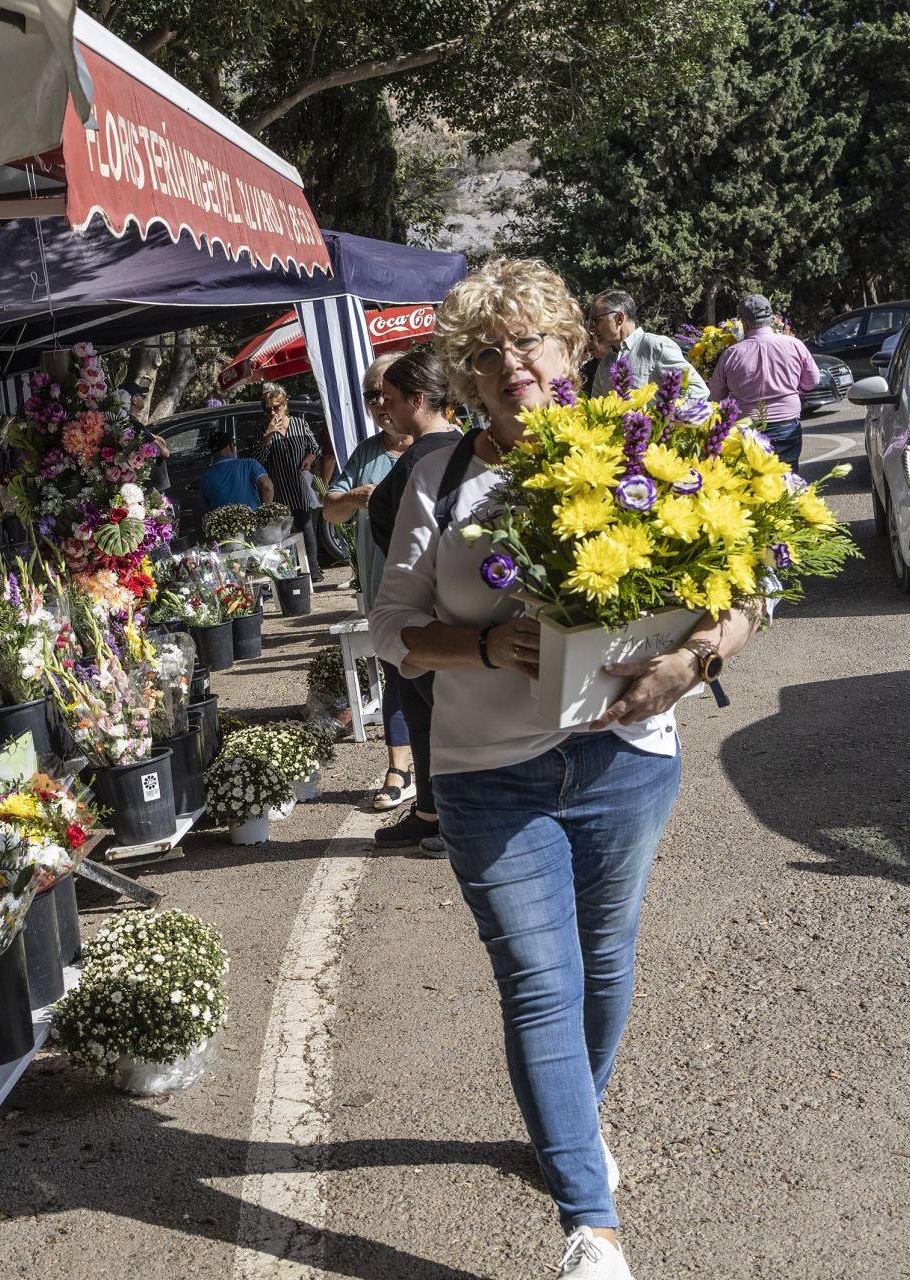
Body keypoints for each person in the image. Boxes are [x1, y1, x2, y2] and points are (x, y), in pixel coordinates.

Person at [370, 258, 763, 1280]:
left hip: (626, 761)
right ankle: (591, 1222)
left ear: (573, 346)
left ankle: (566, 1130)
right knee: (540, 982)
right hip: (487, 772)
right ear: (463, 374)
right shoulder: (440, 475)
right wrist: (485, 646)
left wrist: (693, 659)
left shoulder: (658, 445)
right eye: (486, 353)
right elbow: (389, 629)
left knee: (607, 959)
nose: (513, 366)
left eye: (530, 341)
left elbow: (749, 588)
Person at [365, 349, 460, 852]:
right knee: (424, 716)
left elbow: (406, 536)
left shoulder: (424, 460)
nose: (385, 408)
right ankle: (430, 812)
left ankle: (447, 818)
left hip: (423, 607)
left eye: (391, 399)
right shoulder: (454, 448)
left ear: (418, 400)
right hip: (430, 604)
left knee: (439, 714)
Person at [322, 352, 416, 810]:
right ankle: (399, 766)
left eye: (385, 392)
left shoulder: (441, 444)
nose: (379, 403)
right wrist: (357, 498)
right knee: (396, 675)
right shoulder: (366, 454)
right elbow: (330, 507)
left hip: (433, 590)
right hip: (383, 590)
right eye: (370, 396)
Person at [706, 293, 820, 469]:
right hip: (787, 425)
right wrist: (793, 389)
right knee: (788, 481)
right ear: (772, 318)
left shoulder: (731, 354)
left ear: (743, 323)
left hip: (747, 429)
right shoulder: (794, 345)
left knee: (753, 485)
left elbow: (715, 397)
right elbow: (812, 381)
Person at [254, 385, 325, 582]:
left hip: (298, 486)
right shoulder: (262, 430)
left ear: (285, 405)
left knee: (305, 527)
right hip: (279, 489)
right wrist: (267, 437)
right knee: (281, 533)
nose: (272, 412)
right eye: (267, 409)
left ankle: (313, 570)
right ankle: (289, 573)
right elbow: (257, 461)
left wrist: (309, 460)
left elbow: (314, 448)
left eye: (276, 407)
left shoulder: (299, 425)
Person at [586, 290, 702, 397]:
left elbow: (697, 390)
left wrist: (665, 416)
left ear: (619, 318)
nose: (591, 328)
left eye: (596, 320)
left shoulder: (655, 346)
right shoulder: (606, 362)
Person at [198, 429, 273, 512]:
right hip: (253, 522)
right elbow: (267, 487)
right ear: (231, 446)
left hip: (224, 524)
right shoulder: (249, 464)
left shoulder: (205, 478)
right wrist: (266, 512)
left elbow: (207, 507)